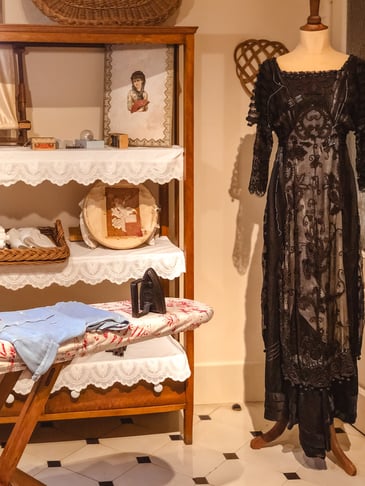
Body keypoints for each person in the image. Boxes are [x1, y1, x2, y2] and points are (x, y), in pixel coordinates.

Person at [247, 25, 365, 461]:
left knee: (337, 299)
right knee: (288, 295)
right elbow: (263, 148)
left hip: (337, 209)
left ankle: (327, 414)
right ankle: (291, 408)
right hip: (289, 207)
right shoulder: (272, 72)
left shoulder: (355, 73)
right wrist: (261, 177)